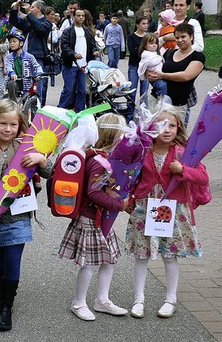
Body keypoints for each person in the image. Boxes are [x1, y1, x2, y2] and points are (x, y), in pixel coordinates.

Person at [0, 100, 51, 331]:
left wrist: (41, 160)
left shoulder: (27, 148)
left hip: (20, 215)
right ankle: (3, 287)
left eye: (13, 125)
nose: (8, 129)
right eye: (2, 123)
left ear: (20, 126)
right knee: (0, 259)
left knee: (13, 259)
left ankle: (6, 306)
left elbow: (49, 172)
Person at [125, 105, 209, 318]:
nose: (167, 129)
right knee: (141, 255)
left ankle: (170, 299)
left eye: (172, 125)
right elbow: (133, 178)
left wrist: (183, 170)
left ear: (178, 127)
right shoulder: (143, 150)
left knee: (170, 255)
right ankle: (138, 299)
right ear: (151, 128)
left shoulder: (183, 152)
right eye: (161, 125)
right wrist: (129, 198)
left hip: (173, 210)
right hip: (145, 209)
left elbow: (203, 177)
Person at [59, 113, 131, 321]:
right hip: (91, 218)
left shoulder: (102, 158)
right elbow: (94, 192)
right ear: (115, 137)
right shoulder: (100, 162)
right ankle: (79, 302)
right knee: (89, 263)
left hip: (101, 218)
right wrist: (120, 204)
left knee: (108, 261)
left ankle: (102, 300)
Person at [146, 23, 205, 124]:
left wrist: (162, 75)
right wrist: (149, 73)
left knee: (174, 136)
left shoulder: (198, 57)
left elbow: (185, 76)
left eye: (183, 37)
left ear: (191, 37)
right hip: (157, 100)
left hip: (177, 105)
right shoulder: (169, 52)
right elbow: (157, 67)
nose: (180, 40)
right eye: (177, 37)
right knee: (152, 133)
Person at [9, 0, 53, 105]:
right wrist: (15, 7)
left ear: (38, 9)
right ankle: (26, 110)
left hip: (38, 58)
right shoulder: (29, 21)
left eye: (32, 7)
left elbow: (39, 28)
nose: (30, 9)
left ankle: (38, 111)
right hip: (25, 57)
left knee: (39, 87)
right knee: (25, 85)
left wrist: (28, 13)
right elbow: (14, 21)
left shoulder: (46, 23)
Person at [57, 9, 99, 112]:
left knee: (82, 91)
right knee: (69, 90)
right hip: (70, 65)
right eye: (78, 15)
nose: (81, 17)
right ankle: (60, 110)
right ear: (73, 17)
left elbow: (92, 45)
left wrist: (95, 51)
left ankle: (79, 113)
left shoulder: (87, 31)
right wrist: (74, 54)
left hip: (83, 67)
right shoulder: (68, 31)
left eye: (82, 16)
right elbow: (64, 46)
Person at [4, 30, 43, 100]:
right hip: (14, 83)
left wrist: (39, 74)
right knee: (11, 84)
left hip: (26, 83)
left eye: (14, 41)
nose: (11, 44)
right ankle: (14, 104)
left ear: (21, 43)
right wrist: (12, 73)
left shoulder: (29, 56)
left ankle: (30, 109)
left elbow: (37, 66)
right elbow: (8, 66)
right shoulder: (8, 57)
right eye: (10, 42)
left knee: (28, 102)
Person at [127, 16, 150, 108]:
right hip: (134, 65)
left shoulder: (148, 36)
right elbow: (132, 51)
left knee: (144, 92)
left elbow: (152, 50)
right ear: (137, 25)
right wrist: (144, 51)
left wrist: (141, 50)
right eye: (143, 23)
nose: (145, 26)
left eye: (146, 23)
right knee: (132, 90)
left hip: (146, 67)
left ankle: (143, 114)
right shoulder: (131, 36)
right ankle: (130, 114)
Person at [137, 33, 167, 100]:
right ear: (144, 45)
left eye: (156, 43)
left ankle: (160, 97)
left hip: (159, 75)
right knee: (162, 86)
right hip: (155, 77)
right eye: (151, 43)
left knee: (164, 86)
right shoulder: (146, 54)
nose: (154, 45)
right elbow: (151, 63)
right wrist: (159, 58)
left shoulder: (155, 53)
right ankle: (161, 99)